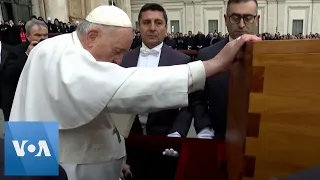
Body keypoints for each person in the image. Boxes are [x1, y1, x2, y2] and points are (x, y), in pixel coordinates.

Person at [9, 5, 261, 180]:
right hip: (60, 165)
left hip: (65, 159)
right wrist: (211, 66)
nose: (120, 60)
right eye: (117, 50)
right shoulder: (62, 54)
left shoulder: (66, 48)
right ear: (92, 36)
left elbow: (98, 107)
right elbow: (122, 87)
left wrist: (118, 160)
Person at [121, 3, 193, 180]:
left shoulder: (181, 60)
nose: (152, 28)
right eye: (146, 22)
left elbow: (188, 103)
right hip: (131, 144)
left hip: (167, 143)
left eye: (158, 22)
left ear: (166, 28)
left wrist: (176, 133)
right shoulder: (124, 59)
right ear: (139, 27)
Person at [192, 0, 260, 139]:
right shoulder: (207, 55)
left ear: (257, 19)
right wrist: (204, 127)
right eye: (235, 18)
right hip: (217, 139)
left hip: (262, 140)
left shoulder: (274, 56)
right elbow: (198, 98)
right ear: (225, 19)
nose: (241, 25)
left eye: (247, 18)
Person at [0, 19, 48, 121]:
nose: (42, 39)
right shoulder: (14, 51)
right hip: (19, 101)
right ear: (27, 36)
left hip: (42, 100)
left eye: (45, 35)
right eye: (38, 35)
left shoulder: (52, 49)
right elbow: (9, 75)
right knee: (24, 135)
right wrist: (27, 55)